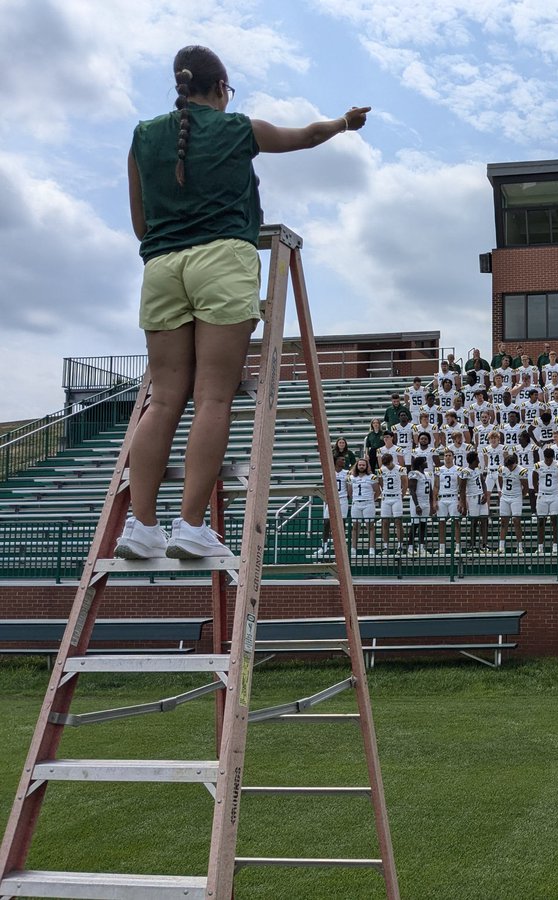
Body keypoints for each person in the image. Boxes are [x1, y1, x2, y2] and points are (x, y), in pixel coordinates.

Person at [117, 44, 369, 561]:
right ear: (221, 87)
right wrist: (344, 123)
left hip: (161, 268)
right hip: (222, 261)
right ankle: (189, 524)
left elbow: (140, 225)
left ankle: (139, 526)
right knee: (213, 397)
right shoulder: (238, 130)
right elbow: (306, 136)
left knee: (163, 400)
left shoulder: (142, 136)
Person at [347, 458, 379, 557]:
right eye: (360, 465)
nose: (361, 466)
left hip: (368, 503)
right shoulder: (351, 478)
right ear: (357, 466)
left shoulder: (372, 477)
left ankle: (372, 548)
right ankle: (353, 548)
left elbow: (378, 491)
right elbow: (350, 492)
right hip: (356, 503)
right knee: (355, 527)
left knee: (370, 526)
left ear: (366, 466)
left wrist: (370, 499)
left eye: (363, 465)